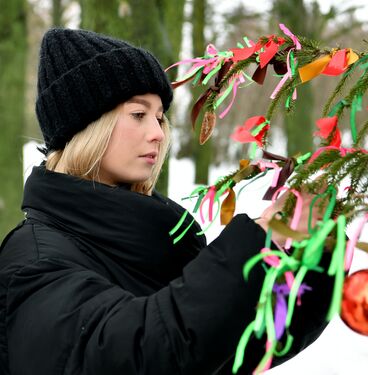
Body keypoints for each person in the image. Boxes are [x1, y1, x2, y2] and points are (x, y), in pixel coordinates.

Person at [0, 28, 333, 375]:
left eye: (159, 117)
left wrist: (311, 256)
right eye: (138, 114)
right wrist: (255, 243)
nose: (158, 133)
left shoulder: (153, 242)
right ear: (87, 127)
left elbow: (240, 344)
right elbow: (135, 353)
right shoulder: (35, 263)